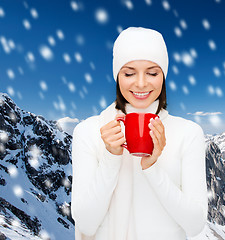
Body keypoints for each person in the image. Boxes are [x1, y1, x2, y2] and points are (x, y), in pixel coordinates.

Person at [71, 27, 208, 240]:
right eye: (129, 73)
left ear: (164, 76)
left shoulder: (188, 133)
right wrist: (111, 158)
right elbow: (86, 224)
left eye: (152, 73)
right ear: (117, 76)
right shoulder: (89, 132)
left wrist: (152, 168)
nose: (142, 83)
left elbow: (195, 224)